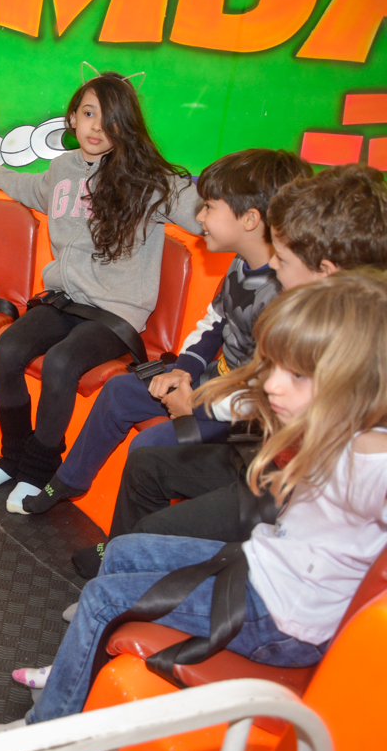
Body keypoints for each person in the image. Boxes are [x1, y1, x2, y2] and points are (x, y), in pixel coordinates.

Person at [0, 270, 387, 734]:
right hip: (259, 567)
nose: (273, 385)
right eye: (273, 366)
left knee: (100, 598)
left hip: (279, 621)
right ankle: (77, 679)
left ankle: (42, 734)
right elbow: (240, 403)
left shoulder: (371, 461)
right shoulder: (320, 418)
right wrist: (191, 395)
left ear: (354, 383)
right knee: (121, 552)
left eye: (295, 374)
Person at [72, 163, 387, 578]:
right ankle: (115, 559)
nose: (274, 267)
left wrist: (199, 408)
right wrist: (190, 381)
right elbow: (247, 373)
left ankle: (121, 583)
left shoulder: (349, 341)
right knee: (147, 465)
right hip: (258, 451)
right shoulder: (311, 308)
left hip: (284, 488)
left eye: (284, 259)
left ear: (325, 273)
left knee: (151, 531)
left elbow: (264, 397)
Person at [19, 149, 312, 517]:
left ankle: (122, 543)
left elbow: (271, 390)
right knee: (120, 392)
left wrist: (196, 406)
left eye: (209, 208)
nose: (200, 216)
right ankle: (67, 481)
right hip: (215, 384)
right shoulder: (242, 264)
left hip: (248, 415)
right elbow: (215, 321)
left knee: (151, 448)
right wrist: (184, 371)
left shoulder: (285, 291)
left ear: (250, 219)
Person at [0, 71, 200, 513]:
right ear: (73, 118)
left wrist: (230, 212)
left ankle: (38, 471)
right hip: (66, 300)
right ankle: (13, 458)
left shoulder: (148, 179)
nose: (97, 128)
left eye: (109, 120)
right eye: (89, 114)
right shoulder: (62, 169)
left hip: (115, 311)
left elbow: (194, 212)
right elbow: (26, 186)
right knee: (7, 349)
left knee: (61, 364)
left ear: (125, 127)